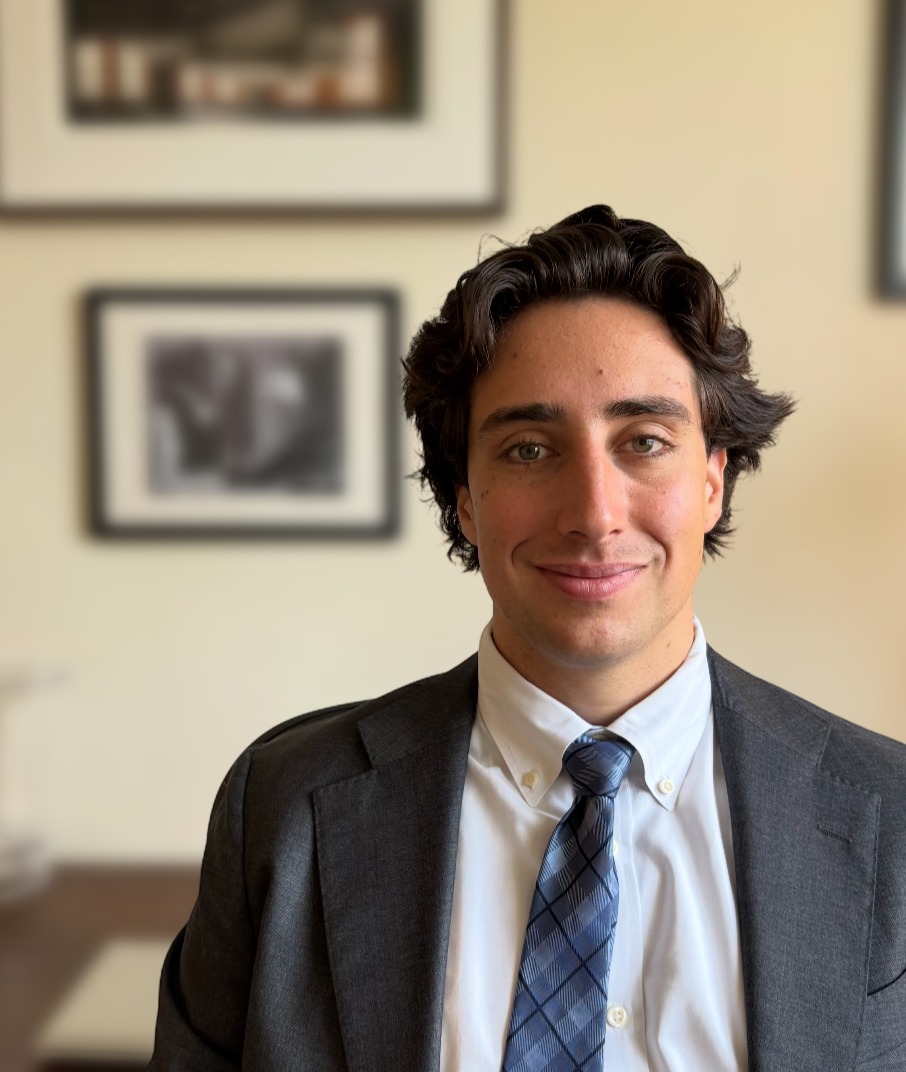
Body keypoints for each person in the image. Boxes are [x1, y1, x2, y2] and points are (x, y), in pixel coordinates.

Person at [148, 206, 906, 1071]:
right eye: (529, 450)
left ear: (711, 482)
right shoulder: (283, 807)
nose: (594, 513)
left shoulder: (891, 819)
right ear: (464, 499)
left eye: (644, 441)